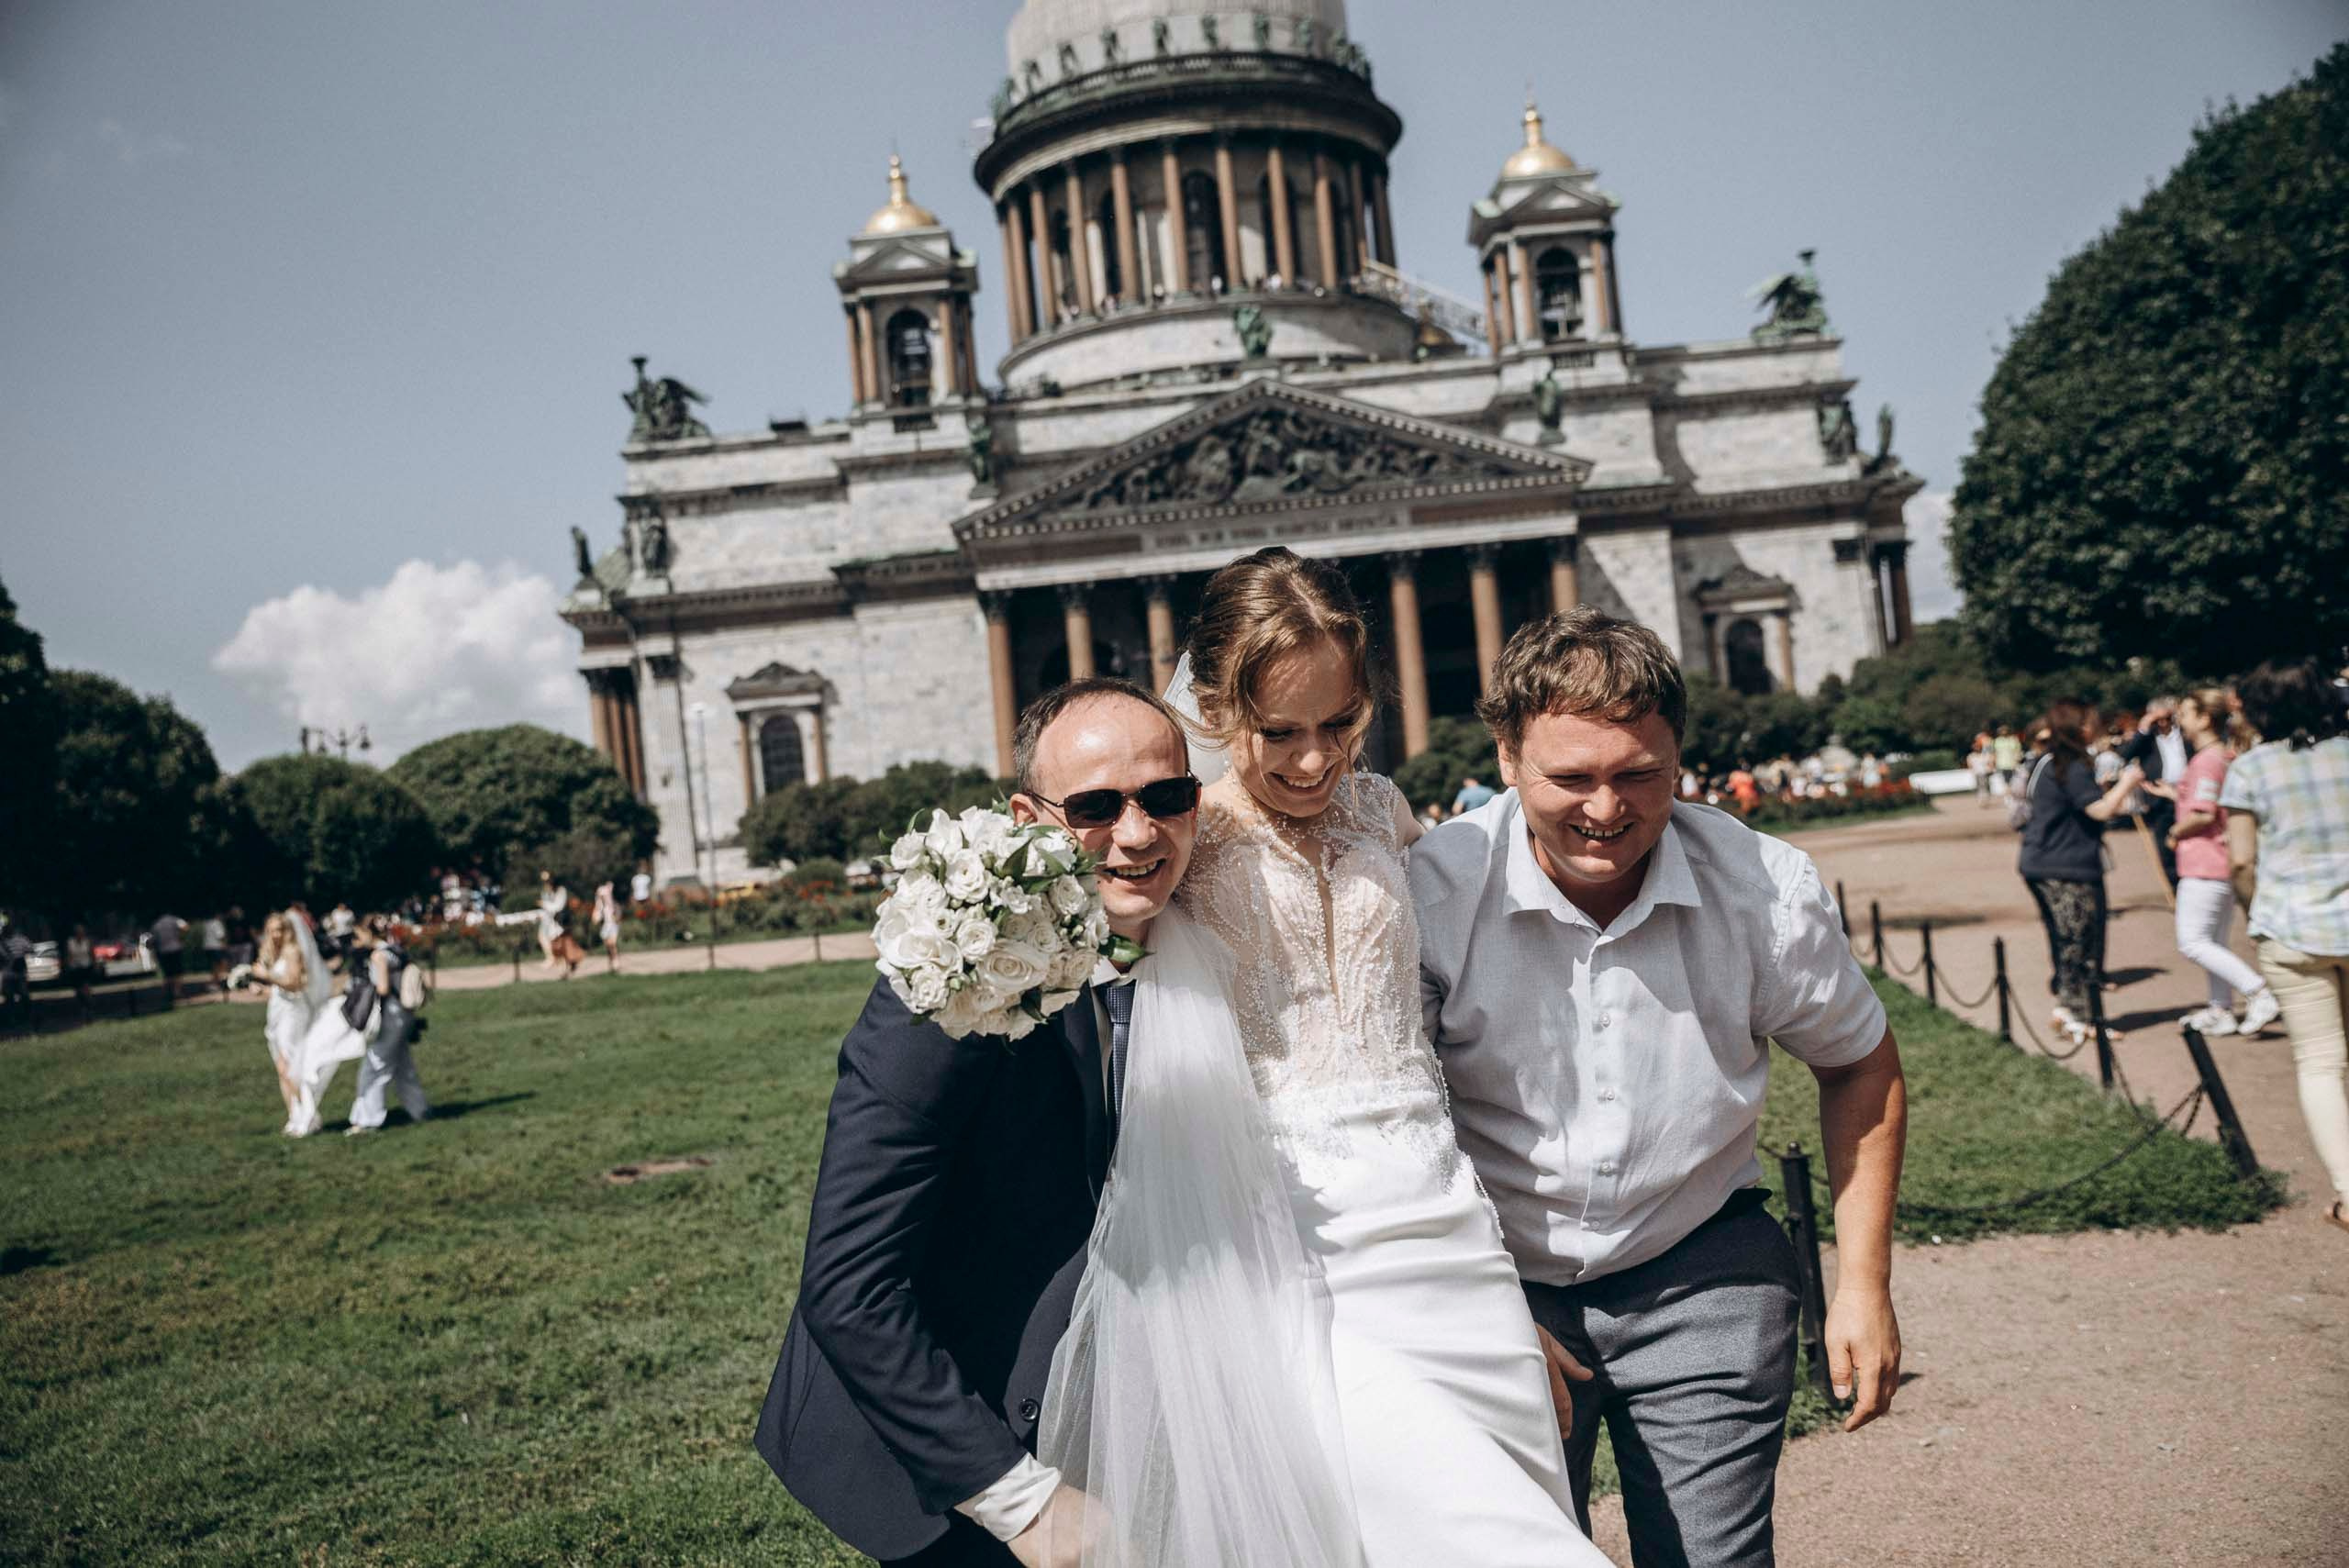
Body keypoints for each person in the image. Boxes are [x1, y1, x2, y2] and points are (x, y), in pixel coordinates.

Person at [1086, 547, 1602, 1565]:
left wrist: (1510, 1279)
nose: (1316, 759)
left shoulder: (1384, 810)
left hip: (1449, 1234)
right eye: (1279, 731)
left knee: (1510, 1510)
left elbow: (1440, 1021)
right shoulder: (1182, 839)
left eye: (1340, 722)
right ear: (1213, 704)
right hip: (1296, 1248)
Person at [1414, 608, 1909, 1567]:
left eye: (1639, 774)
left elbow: (1860, 1064)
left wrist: (1864, 1284)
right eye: (1571, 777)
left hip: (1703, 1269)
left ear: (1679, 757)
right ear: (1507, 756)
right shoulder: (1430, 897)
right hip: (1489, 1282)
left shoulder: (1763, 888)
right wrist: (1481, 1296)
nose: (1606, 808)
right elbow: (1397, 1126)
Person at [755, 677, 1198, 1567]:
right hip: (943, 1446)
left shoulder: (1201, 935)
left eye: (1165, 795)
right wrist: (1020, 1499)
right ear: (1028, 815)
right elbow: (846, 1283)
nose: (1140, 830)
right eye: (1095, 806)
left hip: (1115, 1409)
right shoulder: (962, 957)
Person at [2221, 660, 2349, 1238]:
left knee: (2321, 1063)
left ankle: (2348, 1191)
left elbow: (2242, 860)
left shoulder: (2250, 769)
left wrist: (2257, 912)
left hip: (2293, 926)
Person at [2017, 701, 2145, 1046]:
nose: (2096, 725)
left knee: (2070, 941)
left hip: (2046, 862)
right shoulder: (2071, 764)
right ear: (2078, 728)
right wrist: (2128, 782)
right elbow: (2100, 810)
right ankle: (2077, 1013)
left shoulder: (2051, 761)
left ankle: (2072, 1010)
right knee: (2078, 942)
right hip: (2063, 866)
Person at [2166, 687, 2280, 1038]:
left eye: (2185, 714)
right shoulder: (2218, 758)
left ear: (2203, 718)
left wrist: (2175, 830)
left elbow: (2202, 812)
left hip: (2205, 863)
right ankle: (2221, 1008)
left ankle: (2257, 991)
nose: (2180, 723)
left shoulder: (2208, 760)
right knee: (2212, 941)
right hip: (2213, 862)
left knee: (2193, 941)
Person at [347, 915, 429, 1135]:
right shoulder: (396, 950)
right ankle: (419, 1109)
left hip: (391, 1014)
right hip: (404, 1013)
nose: (355, 941)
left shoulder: (378, 956)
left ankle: (367, 1120)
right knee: (403, 1066)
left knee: (374, 1067)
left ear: (368, 934)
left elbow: (382, 988)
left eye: (357, 935)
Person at [255, 913, 317, 1133]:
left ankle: (309, 1114)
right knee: (281, 1067)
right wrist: (263, 989)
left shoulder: (292, 951)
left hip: (292, 1013)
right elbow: (279, 988)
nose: (275, 934)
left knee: (289, 1065)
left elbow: (294, 983)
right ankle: (294, 1114)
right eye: (271, 930)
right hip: (278, 1011)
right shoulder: (274, 953)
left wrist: (267, 976)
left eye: (279, 929)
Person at [2120, 697, 2187, 888]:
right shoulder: (2147, 739)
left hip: (2183, 793)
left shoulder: (2184, 734)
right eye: (2158, 720)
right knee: (2165, 847)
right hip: (2159, 798)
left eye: (2167, 718)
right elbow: (2124, 755)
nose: (2163, 723)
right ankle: (2175, 887)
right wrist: (2143, 728)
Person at [150, 911, 187, 1006]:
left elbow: (153, 940)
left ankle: (168, 993)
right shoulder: (173, 920)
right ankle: (177, 992)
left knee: (168, 973)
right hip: (175, 949)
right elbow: (185, 927)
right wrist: (181, 937)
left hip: (163, 951)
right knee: (178, 972)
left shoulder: (156, 924)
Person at [0, 917, 31, 1029]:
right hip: (9, 974)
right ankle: (12, 1019)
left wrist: (20, 956)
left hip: (19, 973)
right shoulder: (2, 943)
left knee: (23, 995)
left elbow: (30, 949)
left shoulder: (20, 939)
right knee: (9, 997)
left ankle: (26, 1016)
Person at [537, 872, 571, 971]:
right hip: (548, 920)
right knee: (544, 938)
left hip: (559, 921)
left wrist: (544, 904)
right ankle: (552, 959)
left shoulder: (560, 891)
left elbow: (557, 907)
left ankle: (563, 964)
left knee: (558, 944)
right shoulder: (545, 891)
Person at [63, 924, 96, 1018]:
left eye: (81, 932)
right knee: (78, 990)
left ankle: (90, 1006)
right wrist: (67, 966)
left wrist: (94, 965)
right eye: (78, 932)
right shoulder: (70, 942)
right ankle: (84, 1006)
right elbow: (68, 955)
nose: (80, 934)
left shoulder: (87, 941)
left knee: (86, 988)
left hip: (86, 967)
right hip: (75, 969)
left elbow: (92, 954)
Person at [593, 880, 622, 962]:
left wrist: (616, 917)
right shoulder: (600, 907)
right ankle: (612, 959)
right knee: (608, 945)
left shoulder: (613, 905)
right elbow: (596, 918)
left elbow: (617, 915)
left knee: (612, 944)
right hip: (605, 926)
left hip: (612, 925)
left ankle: (616, 961)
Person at [1992, 724, 2024, 790]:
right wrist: (1994, 763)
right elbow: (1995, 753)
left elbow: (2018, 751)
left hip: (2012, 764)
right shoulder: (1997, 741)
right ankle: (2008, 794)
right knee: (2005, 781)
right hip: (2002, 764)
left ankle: (2010, 793)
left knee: (2013, 780)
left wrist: (2018, 760)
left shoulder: (2014, 740)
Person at [1968, 733, 1996, 806]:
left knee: (1984, 787)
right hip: (1978, 773)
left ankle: (1984, 800)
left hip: (1984, 773)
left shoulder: (1985, 755)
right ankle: (1982, 800)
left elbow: (1990, 763)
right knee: (1982, 787)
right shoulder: (1972, 756)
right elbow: (1970, 765)